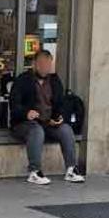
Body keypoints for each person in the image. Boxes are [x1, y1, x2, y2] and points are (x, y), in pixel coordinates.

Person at [9, 50, 84, 186]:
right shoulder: (23, 80)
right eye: (42, 64)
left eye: (48, 65)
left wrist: (59, 117)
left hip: (48, 122)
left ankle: (71, 169)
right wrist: (26, 113)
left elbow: (61, 104)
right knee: (36, 131)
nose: (45, 68)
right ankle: (35, 171)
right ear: (34, 64)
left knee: (65, 129)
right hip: (25, 123)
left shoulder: (55, 81)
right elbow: (14, 106)